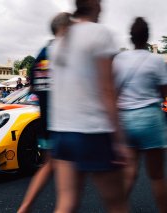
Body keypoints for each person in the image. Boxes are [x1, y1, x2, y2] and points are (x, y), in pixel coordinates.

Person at [48, 0, 128, 212]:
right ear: (94, 3)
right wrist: (119, 141)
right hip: (94, 131)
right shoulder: (100, 34)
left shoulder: (59, 41)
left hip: (62, 132)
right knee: (116, 204)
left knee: (66, 203)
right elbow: (107, 90)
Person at [17, 12, 72, 213]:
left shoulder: (41, 54)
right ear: (65, 29)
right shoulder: (63, 52)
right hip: (64, 123)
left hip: (45, 122)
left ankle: (25, 207)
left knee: (48, 165)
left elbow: (33, 88)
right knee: (70, 190)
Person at [113, 17, 167, 213]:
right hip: (150, 119)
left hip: (126, 119)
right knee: (157, 176)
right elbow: (163, 93)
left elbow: (114, 91)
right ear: (147, 37)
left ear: (131, 37)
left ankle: (116, 209)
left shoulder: (119, 59)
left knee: (129, 172)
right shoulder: (155, 60)